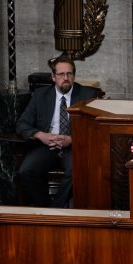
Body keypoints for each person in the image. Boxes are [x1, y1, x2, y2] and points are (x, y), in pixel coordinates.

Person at [15, 55, 98, 207]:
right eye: (61, 74)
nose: (65, 78)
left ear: (74, 75)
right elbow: (22, 124)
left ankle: (57, 209)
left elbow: (95, 129)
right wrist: (41, 135)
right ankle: (45, 207)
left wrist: (72, 139)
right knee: (26, 171)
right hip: (46, 146)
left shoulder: (87, 95)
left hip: (73, 146)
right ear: (53, 77)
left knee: (77, 170)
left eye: (69, 74)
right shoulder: (40, 95)